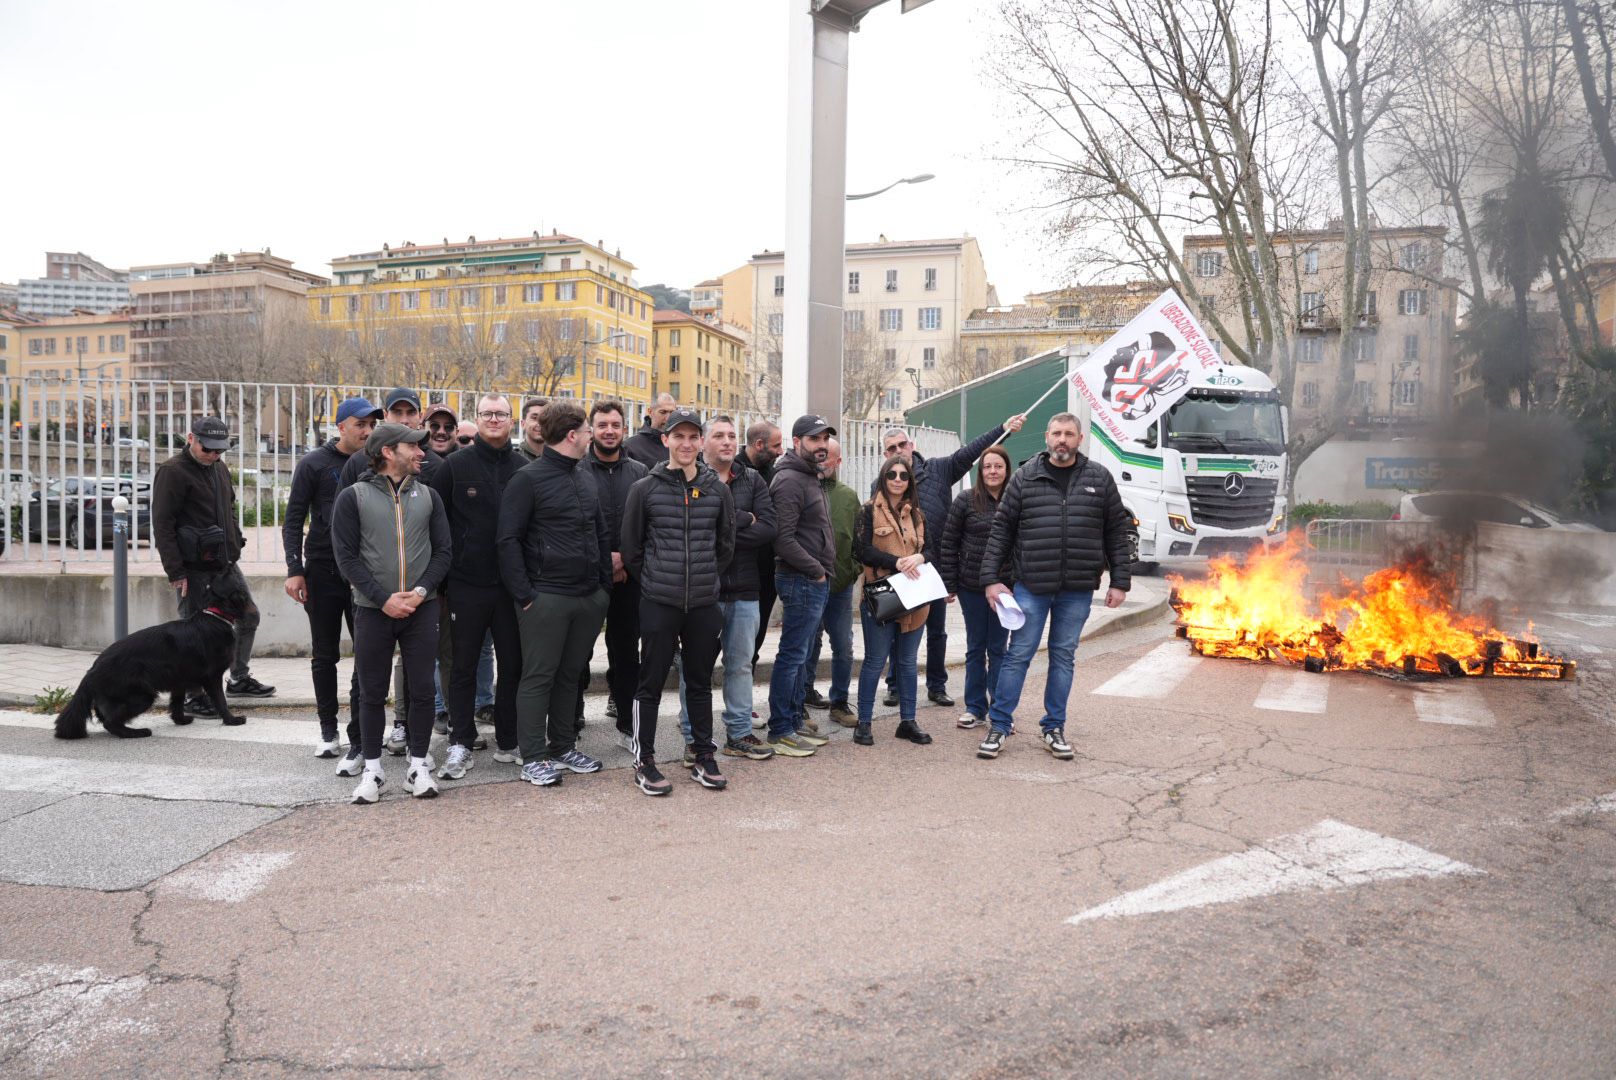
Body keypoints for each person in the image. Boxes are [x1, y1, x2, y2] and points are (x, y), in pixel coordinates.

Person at [976, 412, 1132, 761]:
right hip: (1031, 585)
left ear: (1079, 439)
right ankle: (999, 725)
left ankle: (1053, 727)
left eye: (1069, 434)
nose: (1062, 439)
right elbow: (1001, 531)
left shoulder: (1099, 478)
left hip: (1077, 588)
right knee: (1018, 655)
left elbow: (1116, 533)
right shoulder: (1025, 477)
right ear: (1047, 437)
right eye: (1057, 433)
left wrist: (1120, 581)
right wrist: (991, 580)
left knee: (1063, 656)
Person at [330, 423, 452, 803]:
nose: (422, 453)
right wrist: (383, 599)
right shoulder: (353, 497)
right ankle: (372, 770)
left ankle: (418, 768)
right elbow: (346, 558)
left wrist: (420, 592)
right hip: (372, 610)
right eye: (413, 446)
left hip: (421, 608)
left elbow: (443, 552)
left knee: (422, 690)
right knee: (371, 692)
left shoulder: (429, 496)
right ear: (387, 451)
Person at [620, 407, 737, 794]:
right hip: (659, 602)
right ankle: (644, 761)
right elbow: (631, 549)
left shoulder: (717, 490)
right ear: (665, 439)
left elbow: (725, 545)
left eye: (692, 437)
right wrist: (657, 579)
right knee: (650, 683)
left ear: (700, 442)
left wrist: (704, 579)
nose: (686, 444)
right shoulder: (644, 489)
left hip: (703, 604)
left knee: (700, 683)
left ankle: (703, 755)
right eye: (678, 436)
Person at [496, 401, 612, 788]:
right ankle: (532, 757)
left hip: (588, 596)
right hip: (545, 597)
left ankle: (563, 746)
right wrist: (526, 595)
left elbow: (599, 532)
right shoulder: (527, 479)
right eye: (588, 430)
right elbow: (507, 540)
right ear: (572, 434)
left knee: (570, 675)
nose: (592, 436)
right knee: (539, 676)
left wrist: (603, 588)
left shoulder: (584, 475)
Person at [877, 413, 1026, 709]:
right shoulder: (882, 485)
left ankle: (937, 685)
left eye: (902, 445)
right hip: (900, 570)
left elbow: (971, 452)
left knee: (937, 632)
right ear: (885, 455)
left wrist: (1003, 428)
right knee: (899, 630)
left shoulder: (939, 469)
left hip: (934, 567)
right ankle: (894, 686)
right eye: (891, 448)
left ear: (912, 445)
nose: (898, 451)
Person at [152, 415, 274, 717]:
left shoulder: (219, 468)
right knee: (193, 635)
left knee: (249, 616)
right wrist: (175, 571)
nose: (214, 455)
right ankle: (193, 696)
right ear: (190, 439)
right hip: (192, 568)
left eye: (219, 450)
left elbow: (228, 508)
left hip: (224, 562)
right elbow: (162, 524)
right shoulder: (172, 471)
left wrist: (234, 540)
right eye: (208, 449)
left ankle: (238, 678)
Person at [430, 394, 525, 781]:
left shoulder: (524, 468)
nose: (494, 419)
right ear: (477, 419)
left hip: (511, 587)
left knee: (513, 665)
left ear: (511, 420)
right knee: (463, 665)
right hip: (466, 584)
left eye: (501, 414)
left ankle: (509, 740)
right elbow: (437, 523)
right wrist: (442, 578)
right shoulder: (454, 466)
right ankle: (461, 742)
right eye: (487, 414)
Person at [283, 396, 381, 758]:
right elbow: (294, 518)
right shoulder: (314, 463)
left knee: (365, 654)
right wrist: (294, 570)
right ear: (341, 427)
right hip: (322, 569)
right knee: (325, 655)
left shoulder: (376, 462)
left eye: (372, 425)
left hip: (362, 573)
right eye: (360, 424)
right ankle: (328, 729)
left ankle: (359, 730)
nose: (367, 431)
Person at [675, 415, 776, 761]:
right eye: (719, 435)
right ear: (704, 442)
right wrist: (742, 522)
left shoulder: (753, 479)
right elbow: (692, 531)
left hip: (746, 590)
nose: (728, 441)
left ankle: (739, 732)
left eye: (732, 435)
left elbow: (769, 528)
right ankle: (693, 737)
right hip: (704, 590)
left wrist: (722, 533)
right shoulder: (690, 478)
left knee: (741, 665)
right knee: (696, 667)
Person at [764, 414, 837, 757]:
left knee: (801, 655)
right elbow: (782, 539)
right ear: (796, 442)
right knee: (792, 656)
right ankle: (780, 730)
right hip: (801, 579)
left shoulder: (809, 475)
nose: (821, 445)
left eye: (824, 439)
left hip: (811, 579)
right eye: (813, 439)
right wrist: (816, 570)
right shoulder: (790, 480)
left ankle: (793, 721)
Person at [578, 400, 649, 744]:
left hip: (629, 578)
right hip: (586, 578)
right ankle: (571, 722)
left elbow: (647, 524)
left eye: (615, 425)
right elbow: (571, 526)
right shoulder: (576, 469)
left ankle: (626, 724)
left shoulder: (640, 472)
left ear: (625, 429)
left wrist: (625, 561)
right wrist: (604, 561)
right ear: (591, 430)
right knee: (577, 653)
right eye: (603, 425)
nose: (609, 431)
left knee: (626, 655)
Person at [853, 455, 933, 746]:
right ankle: (863, 722)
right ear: (883, 478)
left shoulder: (917, 515)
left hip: (914, 597)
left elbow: (932, 550)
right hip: (881, 595)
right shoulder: (867, 511)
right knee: (875, 661)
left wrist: (920, 558)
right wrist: (896, 562)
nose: (898, 480)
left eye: (903, 475)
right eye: (892, 475)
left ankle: (908, 721)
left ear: (910, 481)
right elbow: (861, 550)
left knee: (908, 662)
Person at [939, 444, 1013, 730]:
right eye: (987, 466)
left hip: (1005, 589)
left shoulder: (1015, 500)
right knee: (975, 647)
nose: (993, 471)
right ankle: (974, 707)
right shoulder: (966, 500)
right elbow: (949, 542)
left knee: (999, 649)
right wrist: (949, 583)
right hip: (971, 586)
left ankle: (1000, 709)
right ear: (980, 471)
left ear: (1007, 470)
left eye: (998, 466)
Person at [802, 437, 859, 728]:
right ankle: (802, 698)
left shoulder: (848, 497)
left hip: (840, 586)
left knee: (843, 647)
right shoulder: (802, 489)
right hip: (808, 584)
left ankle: (839, 702)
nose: (822, 461)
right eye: (819, 455)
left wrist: (852, 570)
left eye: (829, 456)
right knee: (807, 645)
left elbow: (859, 539)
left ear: (838, 462)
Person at [740, 420, 782, 674]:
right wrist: (748, 519)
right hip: (735, 570)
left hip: (766, 571)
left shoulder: (773, 475)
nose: (780, 451)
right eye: (776, 446)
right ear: (758, 444)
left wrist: (755, 521)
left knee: (756, 635)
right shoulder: (732, 470)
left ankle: (746, 684)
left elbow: (771, 524)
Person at [623, 392, 676, 468]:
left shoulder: (682, 445)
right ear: (650, 412)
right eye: (663, 412)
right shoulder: (630, 447)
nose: (668, 418)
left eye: (672, 413)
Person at [514, 397, 549, 463]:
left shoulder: (560, 459)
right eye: (534, 418)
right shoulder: (513, 460)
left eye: (545, 418)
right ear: (523, 424)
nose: (540, 423)